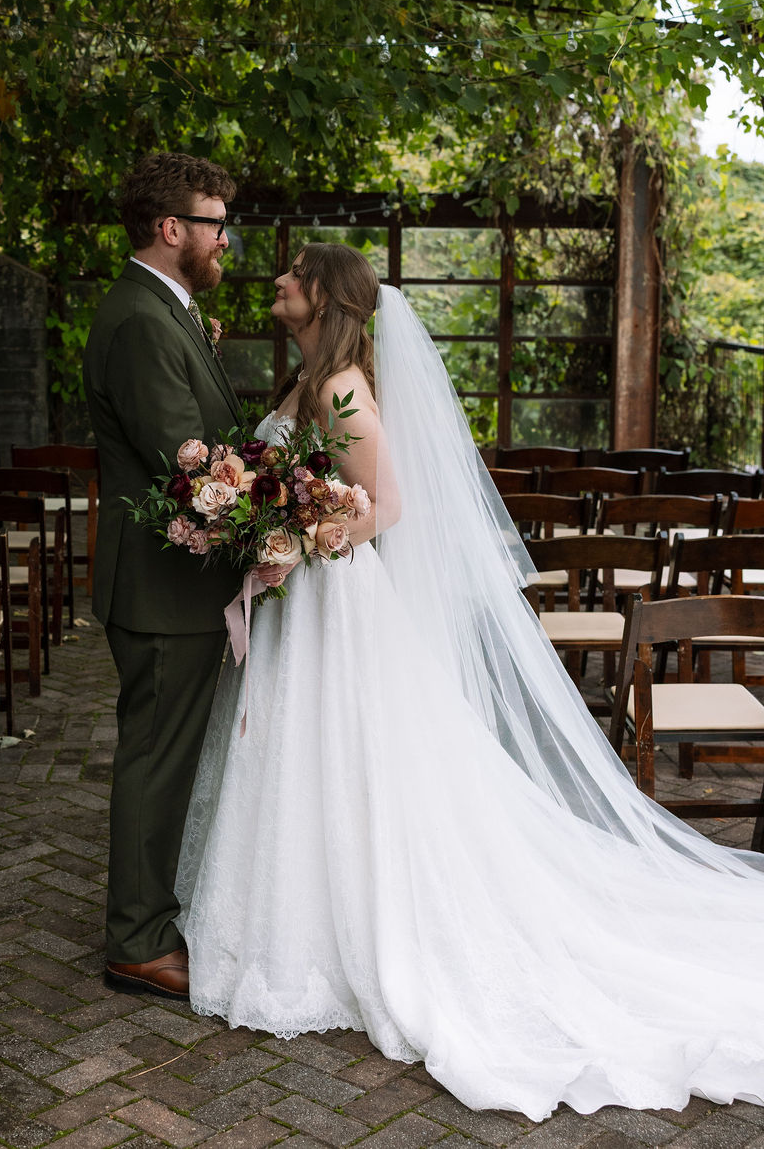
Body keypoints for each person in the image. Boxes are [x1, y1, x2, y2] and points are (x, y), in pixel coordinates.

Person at [176, 241, 764, 1121]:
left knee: (341, 755)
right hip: (307, 599)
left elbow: (388, 505)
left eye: (298, 273)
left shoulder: (340, 390)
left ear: (326, 299)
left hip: (336, 599)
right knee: (302, 759)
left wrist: (302, 536)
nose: (281, 280)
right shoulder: (306, 381)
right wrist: (270, 520)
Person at [82, 152, 244, 1001]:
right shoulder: (144, 321)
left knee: (167, 755)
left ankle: (148, 917)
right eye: (217, 223)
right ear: (170, 227)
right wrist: (280, 516)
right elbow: (189, 469)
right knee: (153, 757)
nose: (227, 240)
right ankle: (135, 943)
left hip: (175, 585)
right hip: (160, 585)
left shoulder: (166, 311)